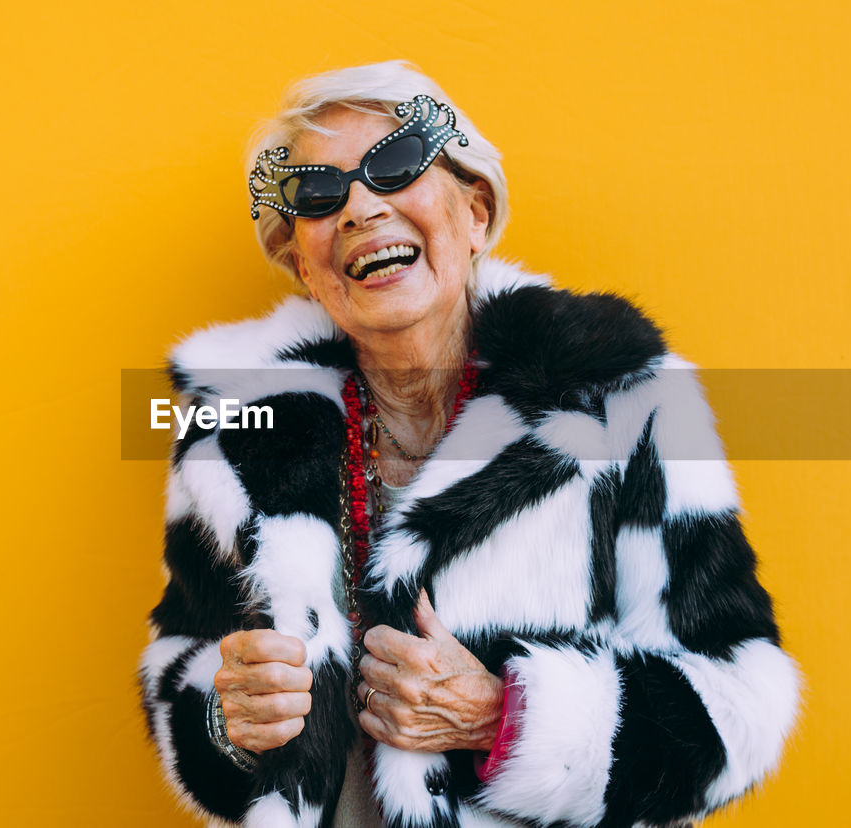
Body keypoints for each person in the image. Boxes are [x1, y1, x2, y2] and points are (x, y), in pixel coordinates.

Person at [138, 60, 801, 828]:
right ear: (302, 268)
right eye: (318, 195)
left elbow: (745, 699)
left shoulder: (623, 396)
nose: (358, 208)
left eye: (395, 165)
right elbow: (179, 668)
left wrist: (507, 718)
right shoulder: (236, 425)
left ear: (476, 212)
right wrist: (229, 722)